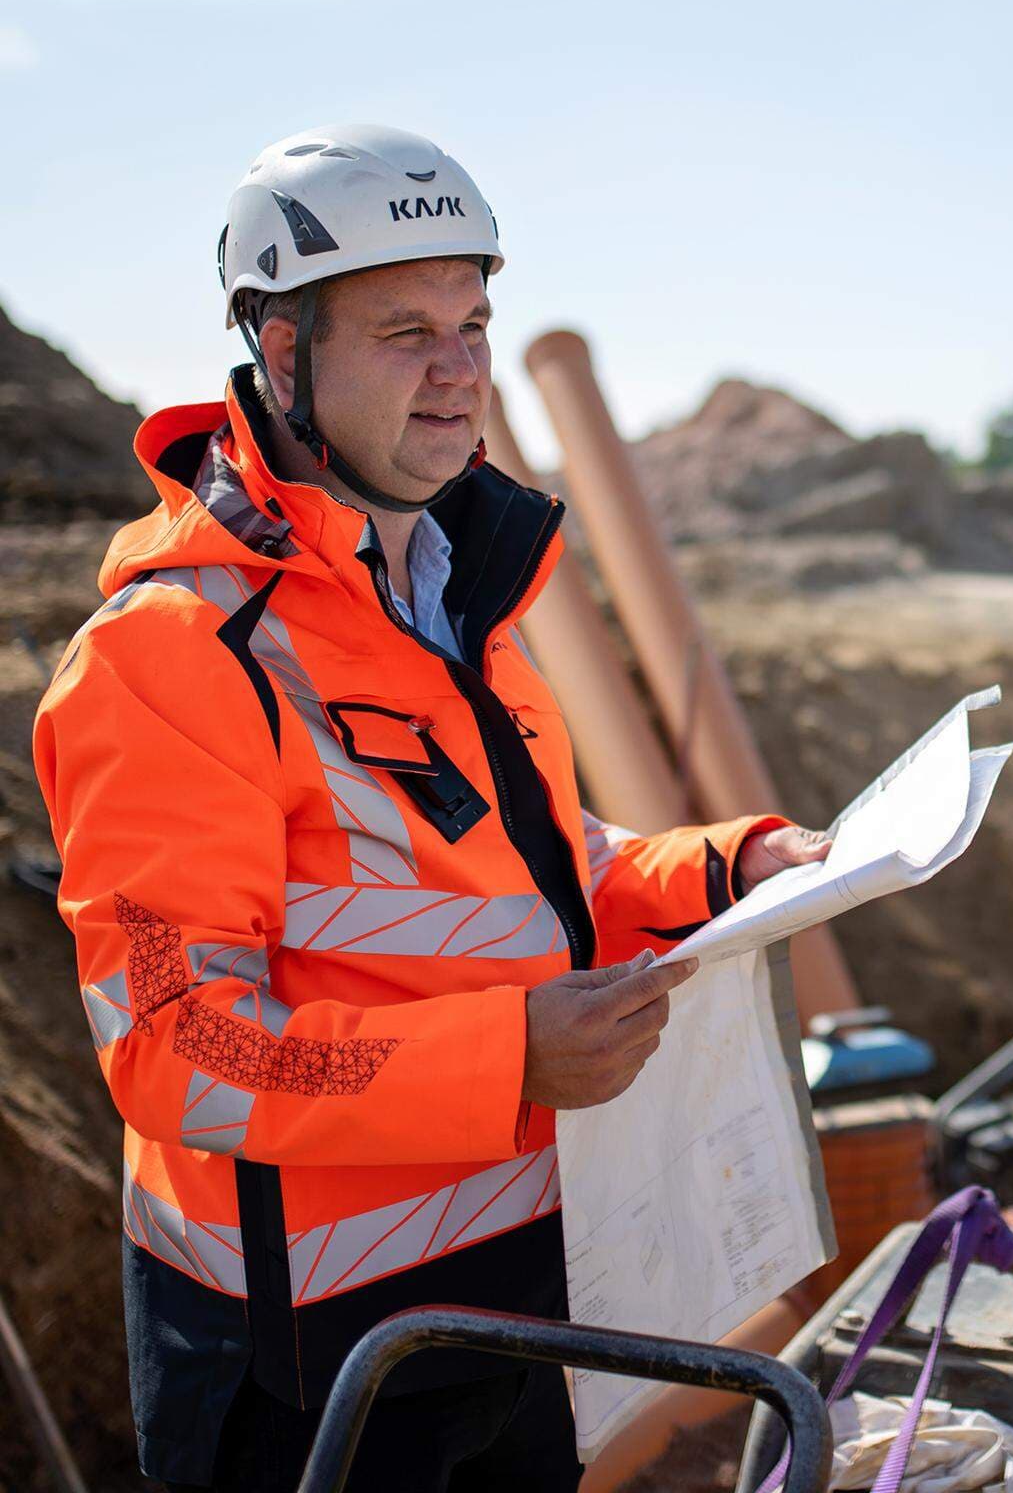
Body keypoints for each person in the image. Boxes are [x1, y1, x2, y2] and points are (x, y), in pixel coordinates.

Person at [33, 124, 832, 1491]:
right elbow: (178, 1045)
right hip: (310, 1373)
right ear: (281, 356)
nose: (461, 372)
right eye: (405, 331)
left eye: (473, 322)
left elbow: (521, 871)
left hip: (517, 1302)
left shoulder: (452, 598)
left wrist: (723, 867)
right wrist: (507, 1058)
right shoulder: (171, 656)